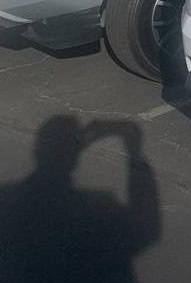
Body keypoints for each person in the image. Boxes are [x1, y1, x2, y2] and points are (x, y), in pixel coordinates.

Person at [0, 116, 160, 283]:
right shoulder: (97, 209)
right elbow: (145, 232)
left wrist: (71, 147)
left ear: (36, 151)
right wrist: (134, 153)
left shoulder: (6, 200)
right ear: (74, 158)